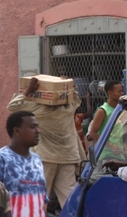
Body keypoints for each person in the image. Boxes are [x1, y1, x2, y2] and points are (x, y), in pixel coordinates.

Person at [8, 77, 83, 206]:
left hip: (45, 159)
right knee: (69, 199)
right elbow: (75, 98)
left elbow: (13, 106)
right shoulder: (69, 108)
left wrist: (28, 90)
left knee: (40, 199)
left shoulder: (38, 110)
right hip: (68, 157)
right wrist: (69, 87)